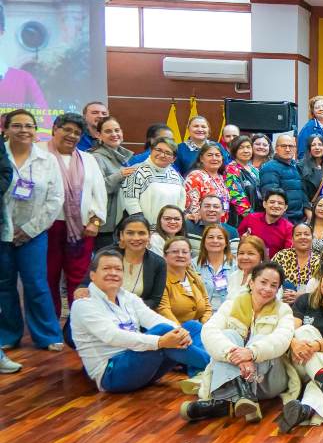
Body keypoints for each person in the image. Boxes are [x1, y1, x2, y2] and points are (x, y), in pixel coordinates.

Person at [71, 249, 208, 393]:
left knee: (192, 327)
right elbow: (112, 336)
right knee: (164, 331)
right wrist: (160, 341)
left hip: (142, 364)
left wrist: (180, 333)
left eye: (118, 269)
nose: (113, 273)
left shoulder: (127, 297)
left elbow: (153, 318)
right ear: (92, 275)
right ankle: (215, 366)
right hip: (112, 374)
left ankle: (199, 376)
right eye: (106, 268)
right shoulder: (84, 304)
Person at [188, 262, 302, 424]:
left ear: (278, 290)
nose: (267, 288)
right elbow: (209, 331)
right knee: (229, 335)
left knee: (259, 339)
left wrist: (251, 353)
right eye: (263, 282)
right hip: (236, 372)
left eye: (273, 285)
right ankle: (242, 396)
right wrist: (232, 354)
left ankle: (224, 401)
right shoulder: (231, 305)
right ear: (251, 282)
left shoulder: (283, 310)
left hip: (267, 380)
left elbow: (282, 340)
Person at [1, 109, 64, 350]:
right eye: (17, 125)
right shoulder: (1, 156)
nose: (24, 130)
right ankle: (8, 335)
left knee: (36, 284)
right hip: (1, 233)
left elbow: (55, 199)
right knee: (4, 286)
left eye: (29, 126)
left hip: (34, 234)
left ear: (35, 131)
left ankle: (48, 336)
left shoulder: (47, 160)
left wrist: (29, 229)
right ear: (6, 129)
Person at [45, 113, 107, 317]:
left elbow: (99, 192)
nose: (72, 135)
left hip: (82, 229)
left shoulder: (88, 159)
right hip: (46, 228)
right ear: (55, 129)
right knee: (47, 277)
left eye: (77, 133)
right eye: (67, 130)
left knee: (79, 278)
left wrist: (95, 221)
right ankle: (50, 325)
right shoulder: (40, 154)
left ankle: (78, 324)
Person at [122, 137, 186, 230]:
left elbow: (182, 201)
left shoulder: (176, 176)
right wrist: (142, 227)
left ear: (174, 159)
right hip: (145, 230)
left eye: (168, 153)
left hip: (171, 230)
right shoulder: (136, 172)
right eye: (158, 150)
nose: (162, 155)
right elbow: (131, 202)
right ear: (151, 151)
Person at [89, 116, 134, 248]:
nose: (114, 134)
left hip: (122, 221)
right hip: (105, 225)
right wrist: (120, 175)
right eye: (108, 131)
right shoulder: (96, 157)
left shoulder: (124, 157)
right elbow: (96, 190)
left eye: (117, 130)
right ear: (99, 135)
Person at [158, 236, 213, 331]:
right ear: (165, 256)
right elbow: (163, 310)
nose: (180, 255)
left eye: (184, 252)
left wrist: (204, 327)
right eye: (175, 251)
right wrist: (182, 333)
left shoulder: (195, 277)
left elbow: (207, 307)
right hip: (172, 332)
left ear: (190, 256)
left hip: (198, 330)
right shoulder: (161, 280)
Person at [258, 134, 308, 223]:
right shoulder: (269, 168)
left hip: (299, 219)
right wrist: (284, 223)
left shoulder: (295, 166)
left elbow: (301, 192)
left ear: (295, 149)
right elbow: (272, 199)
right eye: (284, 146)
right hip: (282, 220)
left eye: (291, 146)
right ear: (276, 148)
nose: (288, 149)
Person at [237, 189, 294, 257]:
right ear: (264, 204)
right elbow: (237, 240)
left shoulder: (289, 228)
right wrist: (242, 241)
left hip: (275, 263)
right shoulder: (250, 219)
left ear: (285, 207)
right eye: (272, 202)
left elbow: (287, 254)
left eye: (280, 203)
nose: (276, 206)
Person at [274, 223, 322, 303]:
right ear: (292, 239)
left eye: (306, 234)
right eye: (298, 234)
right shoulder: (282, 256)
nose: (302, 237)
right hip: (281, 301)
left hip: (309, 303)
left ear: (312, 238)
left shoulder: (320, 260)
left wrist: (301, 296)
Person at [182, 143, 229, 222]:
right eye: (210, 155)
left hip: (221, 226)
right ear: (201, 158)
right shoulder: (195, 176)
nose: (214, 158)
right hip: (202, 225)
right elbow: (191, 208)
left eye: (217, 155)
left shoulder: (221, 177)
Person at [195, 223, 236, 310]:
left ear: (226, 243)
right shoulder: (193, 265)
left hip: (228, 313)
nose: (215, 241)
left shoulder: (236, 265)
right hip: (201, 313)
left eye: (220, 238)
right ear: (204, 241)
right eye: (210, 237)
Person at [185, 195, 239, 259]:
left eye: (216, 207)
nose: (211, 209)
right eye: (207, 206)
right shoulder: (187, 226)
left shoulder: (232, 232)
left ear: (223, 212)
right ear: (199, 211)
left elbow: (234, 259)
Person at [223, 135, 259, 228]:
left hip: (257, 216)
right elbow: (238, 199)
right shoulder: (231, 170)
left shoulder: (254, 169)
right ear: (234, 151)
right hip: (241, 222)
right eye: (241, 148)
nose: (246, 151)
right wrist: (255, 221)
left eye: (248, 147)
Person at [297, 95, 323, 162]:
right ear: (313, 111)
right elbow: (302, 153)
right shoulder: (308, 128)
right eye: (317, 107)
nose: (321, 109)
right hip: (319, 167)